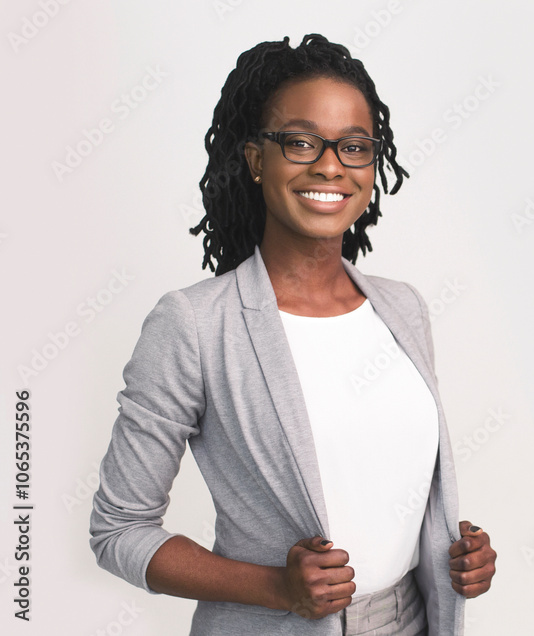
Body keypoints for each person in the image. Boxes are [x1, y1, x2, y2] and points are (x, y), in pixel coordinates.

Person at [89, 34, 496, 636]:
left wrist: (454, 554)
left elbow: (387, 481)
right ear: (257, 160)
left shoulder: (402, 308)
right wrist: (276, 587)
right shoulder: (195, 325)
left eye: (354, 146)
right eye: (302, 141)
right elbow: (119, 530)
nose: (330, 165)